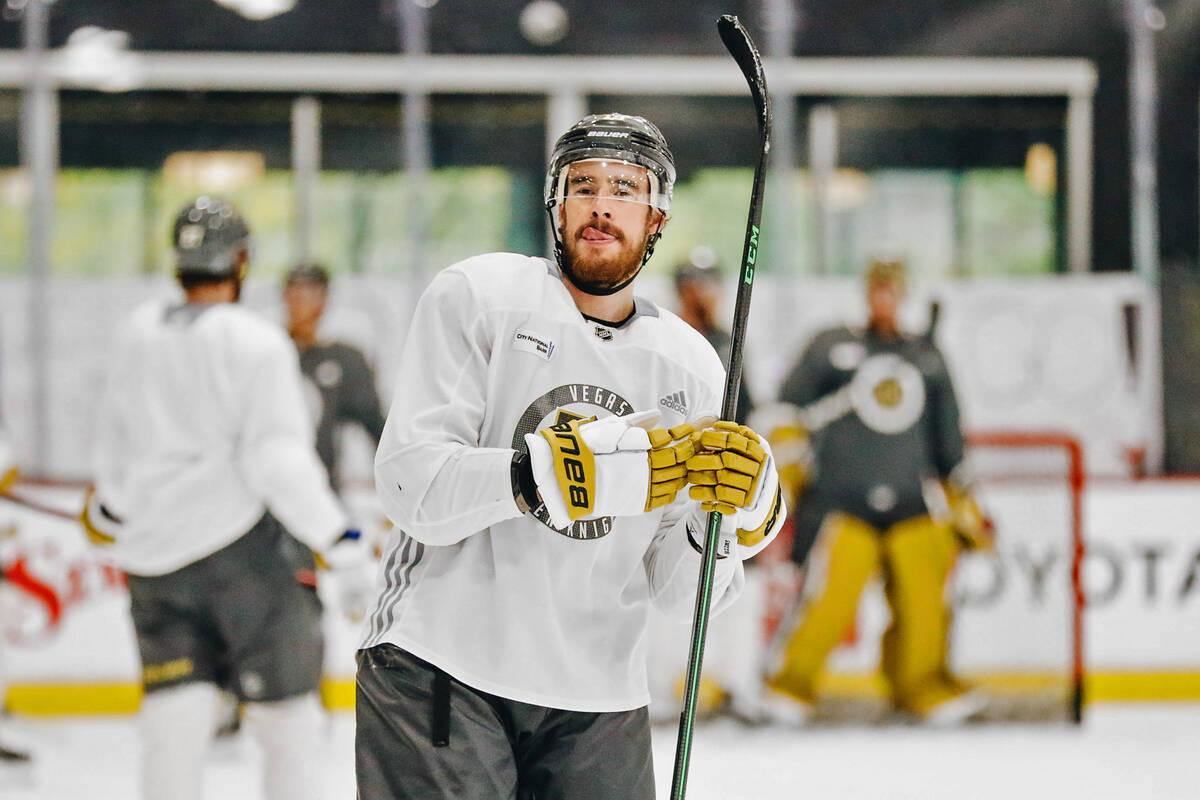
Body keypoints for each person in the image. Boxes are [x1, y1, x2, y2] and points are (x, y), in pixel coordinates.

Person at [358, 113, 786, 799]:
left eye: (626, 189)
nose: (602, 204)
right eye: (582, 185)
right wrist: (545, 474)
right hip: (442, 668)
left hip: (599, 699)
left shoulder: (692, 367)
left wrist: (729, 519)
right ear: (555, 203)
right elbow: (412, 485)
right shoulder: (481, 296)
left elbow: (681, 595)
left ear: (658, 220)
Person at [82, 196, 370, 800]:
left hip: (154, 563)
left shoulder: (136, 332)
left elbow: (115, 450)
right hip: (246, 560)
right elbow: (275, 461)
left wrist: (108, 511)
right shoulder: (257, 342)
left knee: (173, 725)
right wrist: (338, 538)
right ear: (241, 260)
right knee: (287, 723)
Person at [763, 257, 992, 725]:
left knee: (925, 607)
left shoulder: (926, 356)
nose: (884, 297)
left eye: (892, 289)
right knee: (829, 602)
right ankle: (789, 686)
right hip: (843, 502)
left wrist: (961, 491)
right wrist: (787, 453)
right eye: (877, 288)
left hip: (913, 501)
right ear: (866, 291)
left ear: (903, 294)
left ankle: (921, 688)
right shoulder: (832, 346)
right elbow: (785, 410)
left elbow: (948, 435)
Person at [282, 263, 387, 492]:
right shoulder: (268, 354)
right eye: (295, 290)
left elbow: (377, 429)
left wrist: (397, 492)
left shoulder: (344, 360)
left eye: (310, 291)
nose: (300, 300)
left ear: (325, 298)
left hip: (321, 492)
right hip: (267, 494)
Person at [673, 248, 753, 424]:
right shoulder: (668, 336)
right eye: (700, 284)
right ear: (682, 290)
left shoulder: (728, 342)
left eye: (715, 283)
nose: (710, 292)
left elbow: (744, 404)